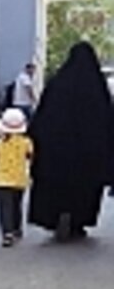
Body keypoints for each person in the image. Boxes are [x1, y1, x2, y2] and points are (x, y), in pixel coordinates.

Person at [28, 43, 114, 241]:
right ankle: (78, 222)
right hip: (88, 156)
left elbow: (41, 118)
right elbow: (107, 121)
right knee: (85, 188)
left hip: (56, 154)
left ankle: (54, 217)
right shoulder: (97, 89)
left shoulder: (57, 85)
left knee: (55, 186)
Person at [0, 108, 33, 247]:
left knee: (5, 207)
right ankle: (17, 228)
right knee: (16, 205)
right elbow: (30, 157)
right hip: (20, 179)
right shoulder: (26, 142)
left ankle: (7, 233)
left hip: (1, 179)